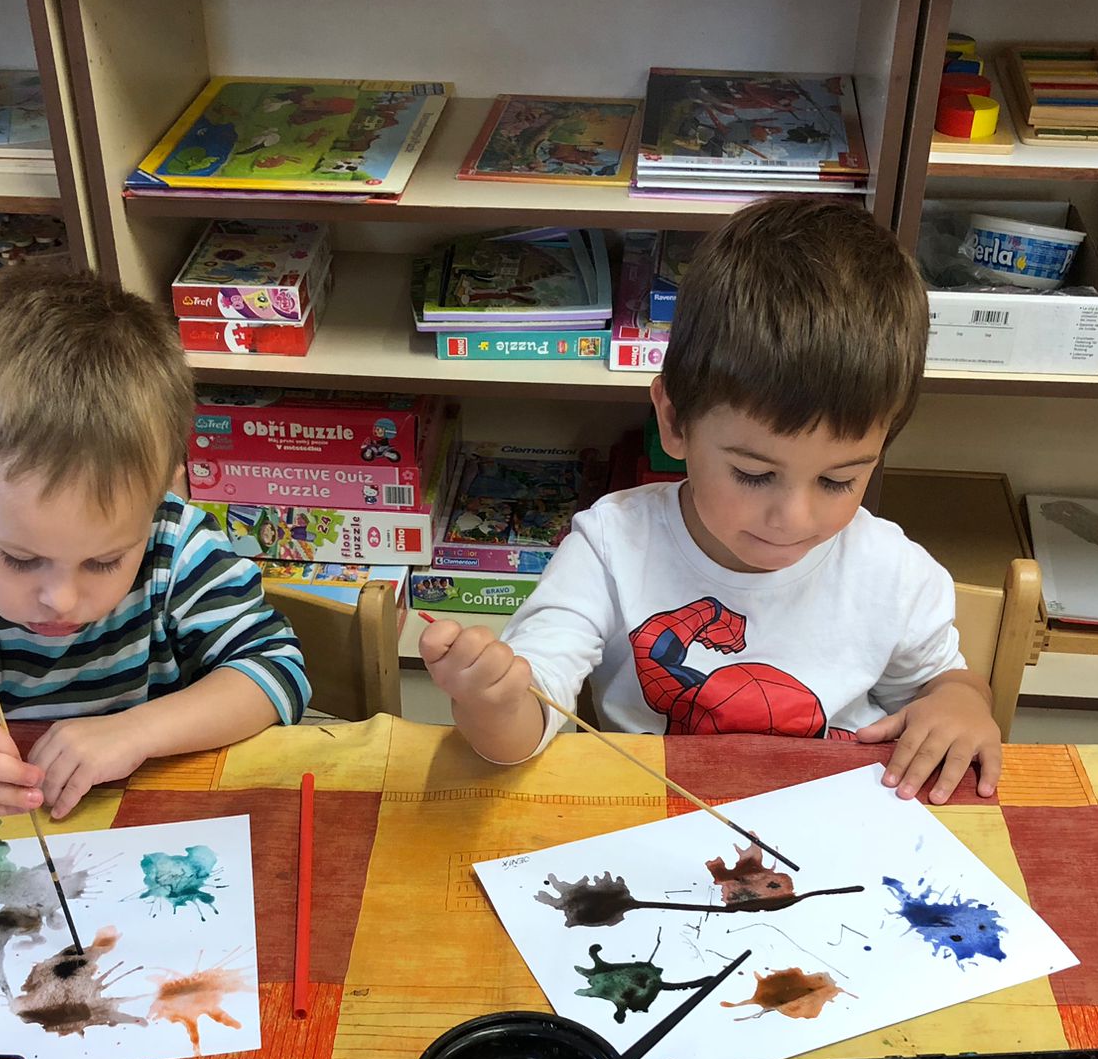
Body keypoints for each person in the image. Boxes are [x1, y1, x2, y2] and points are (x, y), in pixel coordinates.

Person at [419, 196, 1001, 803]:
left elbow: (945, 684)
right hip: (652, 816)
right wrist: (492, 704)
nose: (794, 519)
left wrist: (960, 704)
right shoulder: (611, 547)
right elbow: (526, 722)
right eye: (753, 473)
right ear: (675, 422)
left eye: (838, 481)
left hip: (841, 822)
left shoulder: (892, 572)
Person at [0, 268, 308, 824]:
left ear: (161, 496)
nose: (61, 599)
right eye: (20, 559)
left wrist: (136, 731)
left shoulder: (175, 546)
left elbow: (275, 671)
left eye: (105, 561)